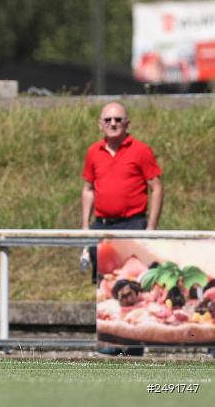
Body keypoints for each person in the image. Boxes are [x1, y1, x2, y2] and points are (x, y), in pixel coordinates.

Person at [81, 101, 163, 357]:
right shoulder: (93, 152)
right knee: (105, 285)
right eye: (108, 120)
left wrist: (150, 228)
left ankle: (135, 341)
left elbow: (156, 187)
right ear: (100, 124)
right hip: (103, 225)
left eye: (118, 119)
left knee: (133, 285)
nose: (113, 124)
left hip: (132, 223)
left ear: (127, 123)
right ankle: (110, 340)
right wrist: (85, 228)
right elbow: (88, 189)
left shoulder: (141, 150)